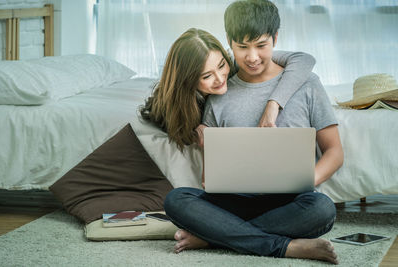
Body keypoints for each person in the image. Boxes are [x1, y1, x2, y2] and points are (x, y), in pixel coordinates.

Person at [164, 0, 343, 265]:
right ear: (229, 42)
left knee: (323, 209)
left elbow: (335, 152)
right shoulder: (217, 96)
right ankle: (282, 246)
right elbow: (207, 178)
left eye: (261, 45)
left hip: (290, 201)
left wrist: (308, 179)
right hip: (234, 199)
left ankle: (214, 237)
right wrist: (209, 153)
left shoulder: (306, 84)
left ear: (275, 39)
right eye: (242, 47)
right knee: (176, 200)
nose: (252, 57)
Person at [140, 28, 316, 151]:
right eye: (207, 76)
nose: (220, 78)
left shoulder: (235, 61)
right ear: (188, 81)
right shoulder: (173, 104)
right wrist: (196, 131)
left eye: (221, 65)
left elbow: (303, 59)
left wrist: (274, 103)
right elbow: (177, 128)